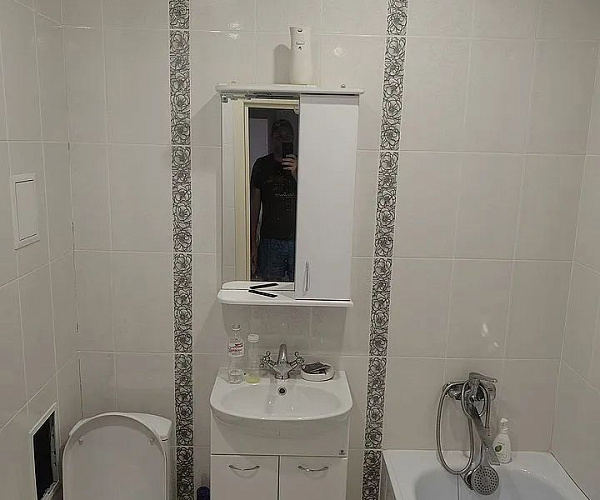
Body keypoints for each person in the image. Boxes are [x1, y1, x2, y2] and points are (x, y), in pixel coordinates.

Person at [250, 119, 298, 282]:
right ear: (271, 139)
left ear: (293, 138)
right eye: (278, 136)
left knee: (303, 288)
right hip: (270, 240)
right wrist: (252, 240)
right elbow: (254, 205)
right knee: (270, 288)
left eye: (287, 136)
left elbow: (314, 197)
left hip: (300, 238)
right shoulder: (261, 165)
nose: (283, 140)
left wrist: (297, 172)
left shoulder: (303, 164)